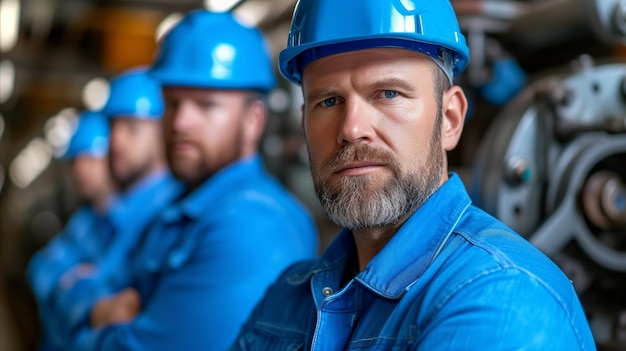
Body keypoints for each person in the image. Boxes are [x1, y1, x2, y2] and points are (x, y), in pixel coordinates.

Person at [230, 1, 597, 350]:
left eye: (388, 93)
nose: (352, 128)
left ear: (450, 120)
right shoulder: (288, 298)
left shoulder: (501, 298)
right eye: (328, 101)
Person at [67, 10, 319, 351]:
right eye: (172, 104)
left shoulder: (254, 226)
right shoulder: (174, 210)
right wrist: (96, 309)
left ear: (253, 120)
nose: (181, 122)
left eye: (206, 105)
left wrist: (85, 322)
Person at [31, 67, 184, 351]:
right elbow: (42, 267)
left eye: (132, 128)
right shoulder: (99, 215)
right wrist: (94, 306)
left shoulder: (172, 215)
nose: (117, 142)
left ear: (165, 129)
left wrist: (71, 289)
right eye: (113, 127)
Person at [27, 110, 116, 351]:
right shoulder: (83, 221)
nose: (81, 170)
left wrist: (67, 284)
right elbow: (39, 269)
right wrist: (85, 294)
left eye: (91, 159)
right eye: (76, 160)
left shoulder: (125, 222)